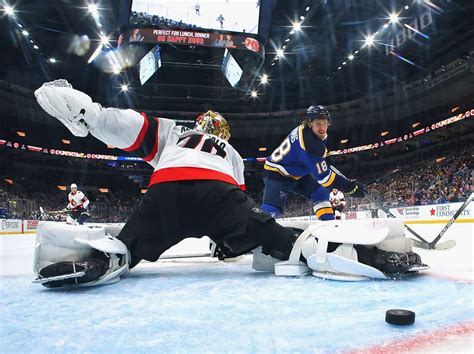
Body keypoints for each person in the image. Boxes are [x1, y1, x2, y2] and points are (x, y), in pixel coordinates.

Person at [31, 80, 425, 287]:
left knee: (129, 245)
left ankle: (102, 260)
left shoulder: (176, 134)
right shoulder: (232, 153)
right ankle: (363, 257)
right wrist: (229, 242)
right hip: (217, 193)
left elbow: (131, 125)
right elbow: (231, 205)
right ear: (222, 131)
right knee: (282, 240)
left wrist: (92, 117)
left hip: (165, 190)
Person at [260, 105, 365, 220]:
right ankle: (259, 230)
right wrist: (350, 187)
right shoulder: (310, 144)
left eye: (325, 123)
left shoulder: (308, 131)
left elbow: (309, 154)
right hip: (277, 172)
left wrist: (323, 158)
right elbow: (325, 179)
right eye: (318, 123)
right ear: (310, 123)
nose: (322, 128)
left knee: (320, 193)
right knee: (273, 208)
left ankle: (329, 225)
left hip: (296, 171)